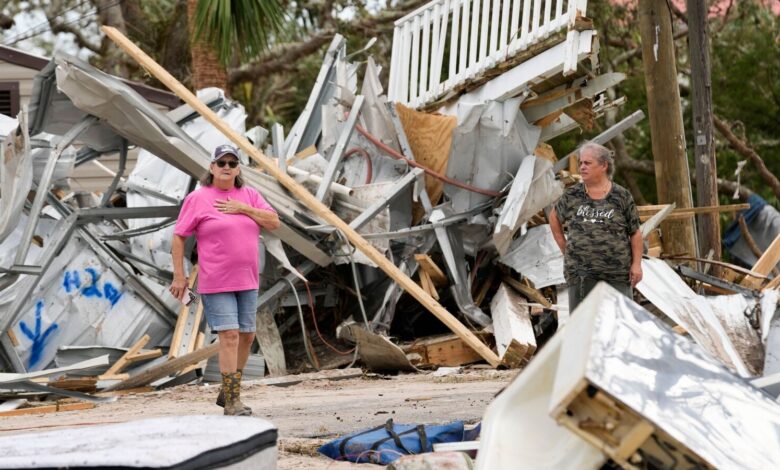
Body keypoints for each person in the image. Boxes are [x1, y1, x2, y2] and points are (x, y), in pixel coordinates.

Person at [170, 144, 280, 416]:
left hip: (248, 279)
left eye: (232, 163)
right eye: (221, 163)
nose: (227, 167)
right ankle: (233, 401)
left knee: (247, 335)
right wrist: (179, 276)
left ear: (238, 168)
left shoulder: (250, 195)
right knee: (229, 335)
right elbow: (179, 236)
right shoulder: (198, 198)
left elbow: (274, 222)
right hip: (216, 280)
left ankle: (228, 390)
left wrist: (242, 208)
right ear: (211, 167)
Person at [549, 142, 643, 314]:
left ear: (604, 165)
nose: (582, 167)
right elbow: (554, 216)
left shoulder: (622, 196)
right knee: (583, 327)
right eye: (580, 163)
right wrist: (565, 246)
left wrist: (637, 264)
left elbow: (635, 232)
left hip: (617, 274)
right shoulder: (572, 195)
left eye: (587, 163)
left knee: (620, 325)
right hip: (581, 275)